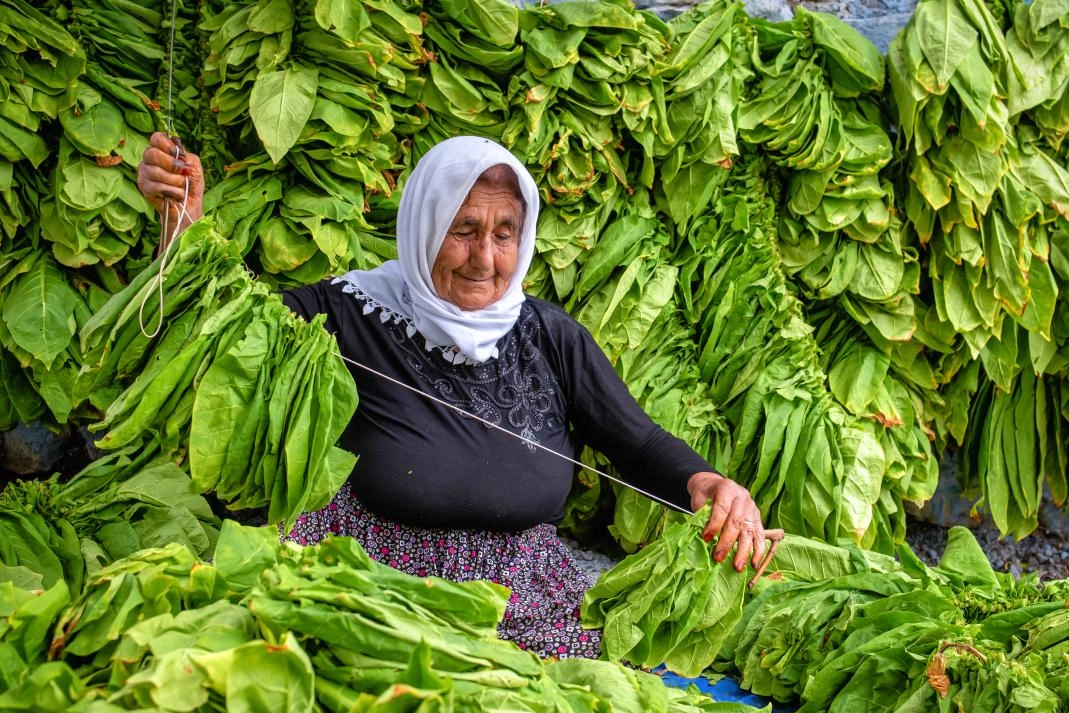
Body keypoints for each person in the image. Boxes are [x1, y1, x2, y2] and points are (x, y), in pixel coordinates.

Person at [137, 133, 767, 659]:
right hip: (367, 595)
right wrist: (182, 230)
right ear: (423, 223)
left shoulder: (550, 335)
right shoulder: (343, 312)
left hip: (527, 605)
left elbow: (642, 442)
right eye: (463, 229)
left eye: (504, 232)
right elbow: (217, 335)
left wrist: (705, 481)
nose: (484, 259)